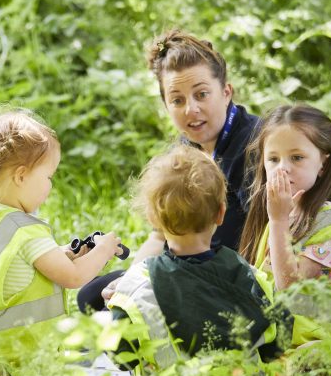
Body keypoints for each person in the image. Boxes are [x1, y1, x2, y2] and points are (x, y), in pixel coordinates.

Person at [78, 29, 261, 312]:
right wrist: (129, 283)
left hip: (227, 276)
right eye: (177, 100)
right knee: (92, 295)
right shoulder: (181, 153)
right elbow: (159, 236)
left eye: (202, 94)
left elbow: (263, 239)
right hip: (177, 267)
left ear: (226, 92)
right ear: (166, 105)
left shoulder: (254, 145)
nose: (191, 109)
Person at [0, 109, 123, 376]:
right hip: (16, 361)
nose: (50, 187)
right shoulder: (26, 230)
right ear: (21, 176)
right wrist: (105, 249)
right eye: (48, 177)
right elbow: (73, 277)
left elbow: (19, 267)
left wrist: (63, 253)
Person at [108, 146, 288, 367]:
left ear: (152, 218)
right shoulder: (252, 278)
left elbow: (121, 358)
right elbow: (276, 347)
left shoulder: (136, 288)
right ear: (221, 213)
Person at [239, 104, 331, 347]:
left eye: (297, 157)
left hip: (324, 345)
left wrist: (277, 222)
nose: (282, 168)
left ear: (323, 164)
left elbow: (290, 288)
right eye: (273, 159)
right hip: (281, 343)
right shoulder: (279, 218)